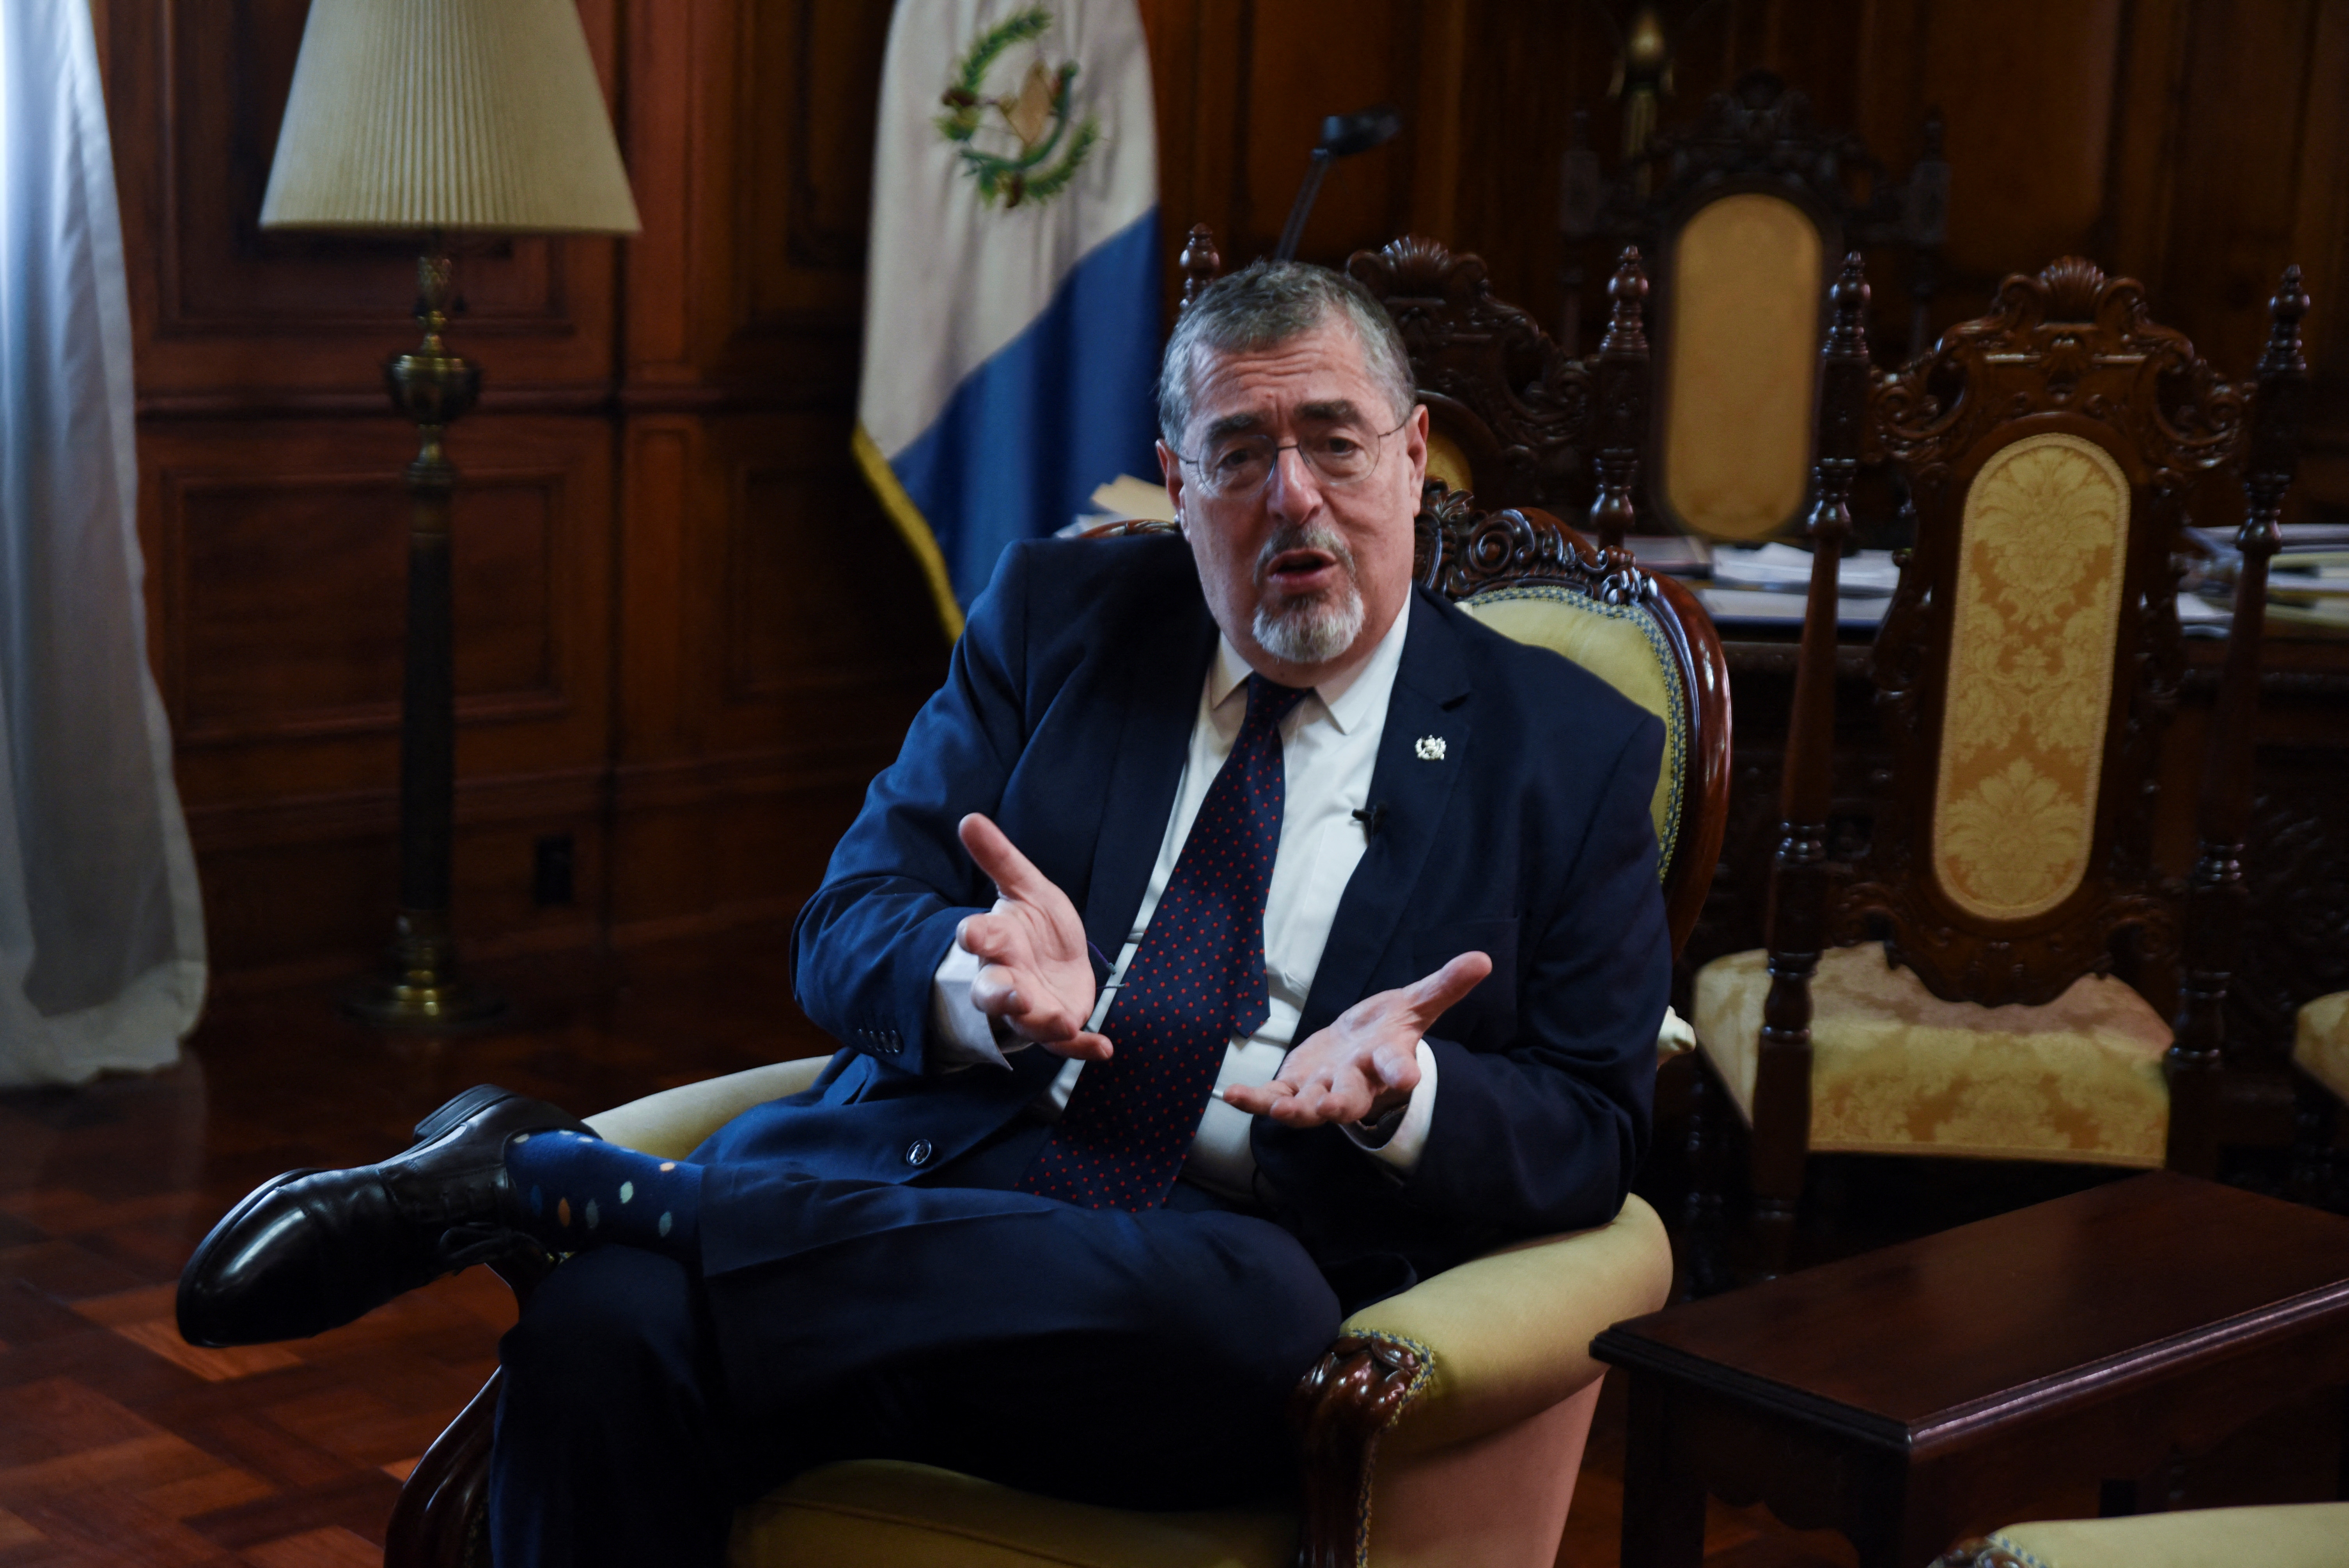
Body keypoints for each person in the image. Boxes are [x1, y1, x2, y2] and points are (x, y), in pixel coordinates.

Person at [175, 261, 1670, 1567]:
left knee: (1262, 1314)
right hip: (934, 1183)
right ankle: (635, 1229)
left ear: (1415, 459)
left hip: (1197, 1292)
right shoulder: (1062, 620)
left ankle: (560, 1187)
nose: (1295, 498)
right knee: (603, 1331)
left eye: (1336, 443)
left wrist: (1406, 1099)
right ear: (1174, 477)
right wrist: (965, 973)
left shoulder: (1568, 750)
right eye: (1239, 454)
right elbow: (845, 920)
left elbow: (1598, 1128)